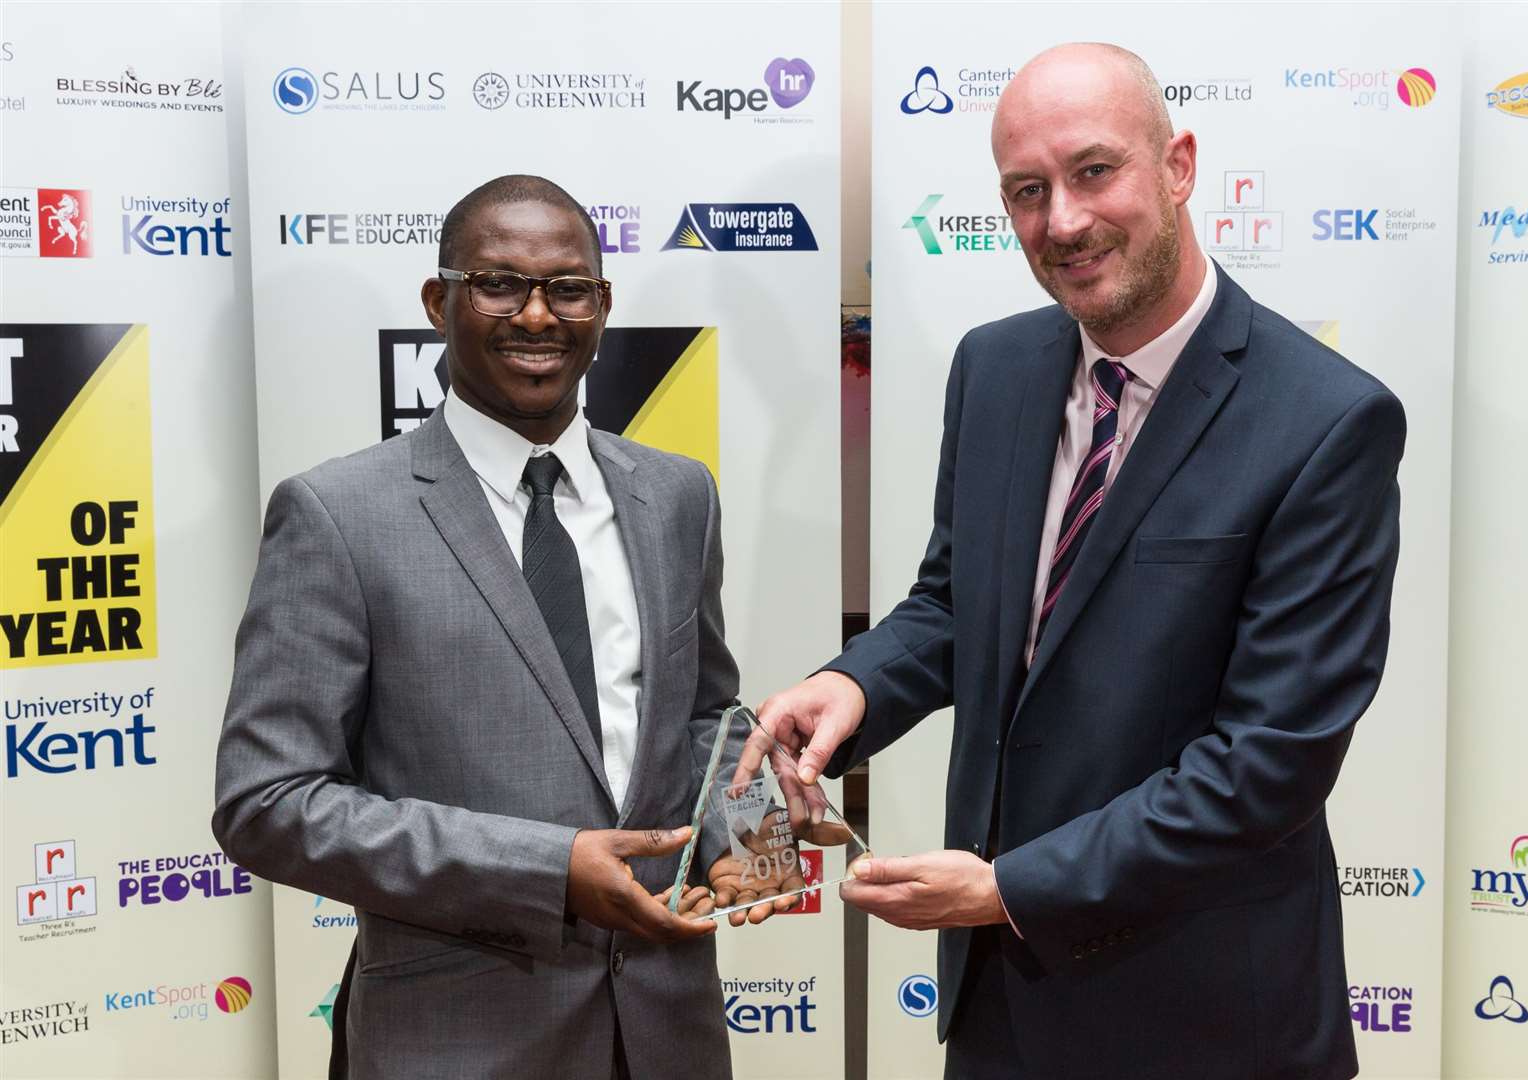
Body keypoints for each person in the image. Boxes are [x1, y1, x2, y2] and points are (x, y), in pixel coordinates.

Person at [753, 44, 1405, 1079]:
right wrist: (852, 686)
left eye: (1094, 171)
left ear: (1179, 164)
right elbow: (959, 605)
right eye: (1026, 191)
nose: (1061, 222)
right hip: (1003, 1011)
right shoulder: (996, 368)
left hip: (1209, 1022)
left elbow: (1265, 765)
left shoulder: (1327, 421)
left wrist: (1009, 888)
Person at [214, 175, 788, 1080]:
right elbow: (269, 804)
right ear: (440, 301)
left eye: (567, 288)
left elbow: (705, 719)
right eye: (498, 284)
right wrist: (547, 868)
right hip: (456, 1036)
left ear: (601, 307)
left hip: (668, 1029)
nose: (536, 315)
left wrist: (759, 833)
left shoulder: (676, 494)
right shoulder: (339, 513)